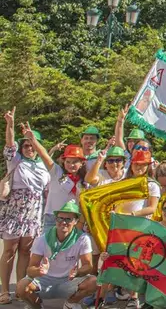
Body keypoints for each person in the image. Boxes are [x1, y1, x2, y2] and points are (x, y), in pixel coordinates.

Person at [1, 117, 52, 306]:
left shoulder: (42, 165)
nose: (29, 149)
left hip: (34, 213)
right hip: (16, 212)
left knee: (25, 251)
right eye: (26, 146)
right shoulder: (15, 161)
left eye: (32, 145)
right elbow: (9, 143)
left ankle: (19, 289)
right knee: (9, 251)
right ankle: (5, 290)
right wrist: (10, 124)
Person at [15, 201, 95, 309]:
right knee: (21, 287)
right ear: (55, 220)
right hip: (44, 280)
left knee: (94, 282)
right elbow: (30, 269)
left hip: (68, 281)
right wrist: (39, 271)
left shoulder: (83, 238)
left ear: (75, 221)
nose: (63, 222)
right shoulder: (42, 239)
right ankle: (37, 306)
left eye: (68, 219)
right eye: (60, 218)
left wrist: (77, 272)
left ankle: (71, 303)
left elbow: (88, 266)